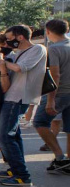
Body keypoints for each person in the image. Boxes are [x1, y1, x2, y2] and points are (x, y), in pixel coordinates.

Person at [0, 24, 47, 186]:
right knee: (14, 135)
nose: (8, 42)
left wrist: (2, 62)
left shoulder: (38, 49)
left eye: (10, 39)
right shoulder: (19, 52)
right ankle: (15, 169)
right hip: (12, 96)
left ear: (20, 37)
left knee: (4, 136)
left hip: (18, 98)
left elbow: (20, 68)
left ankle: (22, 176)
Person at [34, 19, 70, 173]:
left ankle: (60, 157)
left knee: (40, 122)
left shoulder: (54, 49)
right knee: (69, 129)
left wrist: (50, 100)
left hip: (61, 93)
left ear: (48, 31)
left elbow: (54, 75)